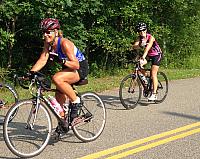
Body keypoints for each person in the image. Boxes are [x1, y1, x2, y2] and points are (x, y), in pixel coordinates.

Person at [30, 18, 89, 132]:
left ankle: (76, 101)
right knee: (59, 100)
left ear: (56, 32)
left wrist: (62, 61)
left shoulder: (64, 43)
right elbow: (43, 59)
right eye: (44, 32)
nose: (45, 35)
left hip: (80, 68)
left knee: (56, 78)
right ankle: (63, 124)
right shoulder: (48, 43)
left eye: (48, 32)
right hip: (68, 67)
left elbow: (76, 64)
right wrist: (31, 73)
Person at [132, 22, 163, 101]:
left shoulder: (151, 37)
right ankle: (145, 79)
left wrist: (143, 56)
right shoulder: (140, 38)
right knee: (138, 66)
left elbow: (147, 48)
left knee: (153, 74)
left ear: (146, 30)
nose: (142, 32)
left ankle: (154, 94)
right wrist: (138, 45)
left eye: (144, 30)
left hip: (157, 55)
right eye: (140, 31)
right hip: (149, 55)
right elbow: (134, 46)